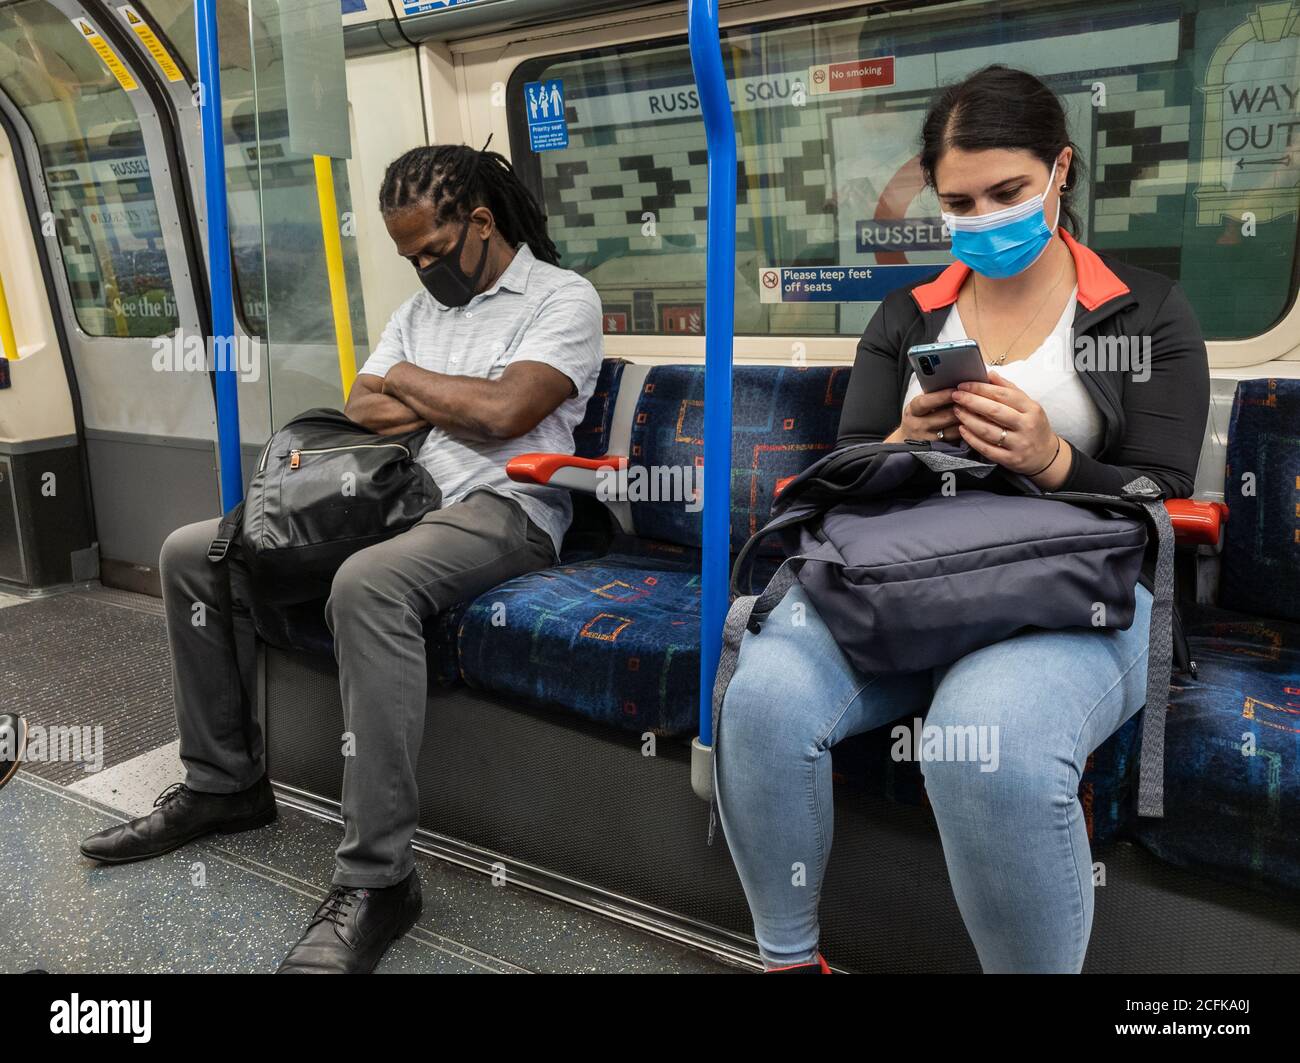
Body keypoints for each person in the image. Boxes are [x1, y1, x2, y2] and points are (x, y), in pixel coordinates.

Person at [715, 65, 1209, 974]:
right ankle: (788, 960)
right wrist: (902, 437)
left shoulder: (1143, 312)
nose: (984, 216)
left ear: (1062, 169)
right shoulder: (909, 316)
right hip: (916, 580)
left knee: (982, 744)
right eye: (959, 201)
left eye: (1009, 191)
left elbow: (1167, 499)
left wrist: (1052, 460)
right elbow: (841, 476)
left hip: (1077, 592)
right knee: (765, 698)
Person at [78, 144, 605, 974]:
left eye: (433, 252)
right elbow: (363, 406)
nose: (423, 271)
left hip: (503, 507)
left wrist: (413, 384)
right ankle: (225, 785)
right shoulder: (419, 310)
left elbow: (510, 412)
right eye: (409, 258)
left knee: (367, 585)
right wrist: (440, 394)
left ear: (480, 222)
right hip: (387, 498)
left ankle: (379, 877)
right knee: (191, 552)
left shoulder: (562, 298)